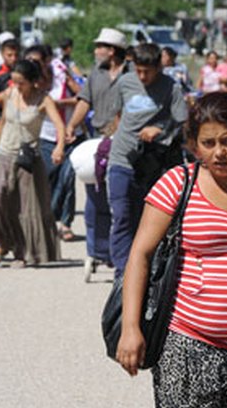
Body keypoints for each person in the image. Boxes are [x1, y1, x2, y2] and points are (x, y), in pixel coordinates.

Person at [116, 92, 227, 407]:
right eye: (208, 143)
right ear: (194, 144)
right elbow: (139, 255)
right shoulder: (177, 183)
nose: (219, 153)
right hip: (186, 347)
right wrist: (131, 328)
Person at [107, 43, 188, 278]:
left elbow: (181, 119)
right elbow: (116, 113)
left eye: (148, 72)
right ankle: (123, 272)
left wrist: (160, 129)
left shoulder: (171, 87)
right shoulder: (125, 83)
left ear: (159, 67)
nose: (142, 77)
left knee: (147, 219)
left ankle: (146, 267)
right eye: (138, 71)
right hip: (121, 158)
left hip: (152, 164)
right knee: (122, 215)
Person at [0, 59, 65, 268]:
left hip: (28, 158)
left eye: (21, 83)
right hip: (3, 154)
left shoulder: (43, 100)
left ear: (33, 82)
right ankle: (0, 243)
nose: (17, 86)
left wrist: (59, 147)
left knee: (24, 209)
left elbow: (59, 125)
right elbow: (1, 119)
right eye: (14, 81)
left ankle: (21, 251)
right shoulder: (10, 93)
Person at [65, 27, 132, 271]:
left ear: (112, 50)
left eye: (100, 46)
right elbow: (84, 101)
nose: (96, 51)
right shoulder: (96, 74)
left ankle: (121, 252)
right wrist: (71, 125)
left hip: (126, 144)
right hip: (99, 140)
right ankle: (97, 251)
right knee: (95, 197)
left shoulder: (133, 74)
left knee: (121, 199)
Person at [26, 45, 83, 241]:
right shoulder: (28, 79)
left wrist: (60, 104)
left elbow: (81, 97)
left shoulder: (60, 71)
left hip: (71, 134)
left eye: (37, 61)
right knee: (48, 179)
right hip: (46, 136)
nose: (33, 65)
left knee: (68, 177)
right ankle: (47, 220)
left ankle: (65, 223)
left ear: (47, 61)